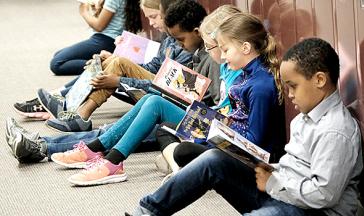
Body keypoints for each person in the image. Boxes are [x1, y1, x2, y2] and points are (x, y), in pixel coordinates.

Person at [131, 37, 363, 216]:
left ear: (319, 80)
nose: (289, 95)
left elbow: (324, 195)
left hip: (313, 211)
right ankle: (149, 210)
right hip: (282, 192)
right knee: (214, 159)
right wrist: (266, 168)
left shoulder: (335, 130)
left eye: (293, 86)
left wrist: (272, 182)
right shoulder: (306, 115)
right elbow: (294, 168)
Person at [155, 7, 286, 181]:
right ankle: (185, 169)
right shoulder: (246, 76)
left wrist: (215, 135)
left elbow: (255, 143)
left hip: (251, 160)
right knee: (173, 136)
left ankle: (182, 170)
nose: (223, 57)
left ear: (245, 47)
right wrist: (209, 131)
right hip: (230, 139)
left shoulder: (260, 86)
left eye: (226, 50)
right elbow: (234, 118)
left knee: (183, 151)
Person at [13, 0, 193, 126]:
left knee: (62, 62)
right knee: (110, 61)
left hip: (166, 97)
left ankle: (72, 108)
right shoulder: (168, 39)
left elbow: (169, 89)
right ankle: (72, 107)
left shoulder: (185, 49)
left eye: (154, 17)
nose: (151, 23)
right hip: (154, 86)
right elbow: (154, 68)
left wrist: (120, 81)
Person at [50, 0, 142, 76]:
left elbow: (99, 26)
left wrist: (84, 12)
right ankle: (104, 62)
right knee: (58, 55)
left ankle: (108, 65)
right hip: (111, 41)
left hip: (105, 40)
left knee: (57, 63)